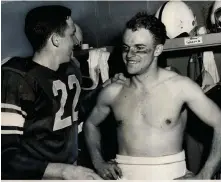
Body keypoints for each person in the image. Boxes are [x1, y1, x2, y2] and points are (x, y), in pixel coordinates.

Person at [84, 12, 221, 180]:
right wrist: (98, 162)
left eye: (139, 49)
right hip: (124, 175)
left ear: (157, 50)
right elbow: (90, 124)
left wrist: (205, 175)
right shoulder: (113, 92)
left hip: (169, 174)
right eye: (126, 48)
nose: (129, 55)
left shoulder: (181, 87)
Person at [1, 5, 104, 180]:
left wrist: (104, 88)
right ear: (56, 39)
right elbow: (6, 155)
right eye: (71, 35)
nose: (76, 42)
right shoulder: (18, 79)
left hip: (70, 172)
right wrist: (63, 171)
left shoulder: (71, 70)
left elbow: (72, 112)